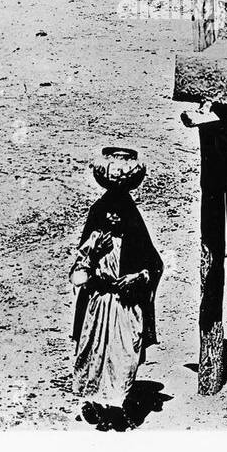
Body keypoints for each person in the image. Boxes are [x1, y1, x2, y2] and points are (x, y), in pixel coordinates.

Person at [69, 149, 162, 430]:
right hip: (99, 302)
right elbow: (79, 270)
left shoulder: (134, 225)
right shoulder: (97, 226)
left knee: (124, 354)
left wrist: (138, 278)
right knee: (94, 351)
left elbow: (154, 265)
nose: (113, 217)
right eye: (109, 212)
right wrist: (91, 261)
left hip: (125, 304)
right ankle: (96, 404)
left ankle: (118, 405)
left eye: (118, 212)